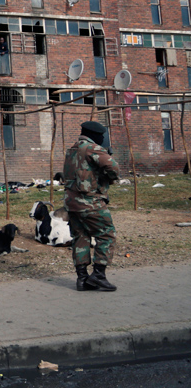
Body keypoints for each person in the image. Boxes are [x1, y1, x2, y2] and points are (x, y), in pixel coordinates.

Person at [62, 121, 121, 292]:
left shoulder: (72, 149)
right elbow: (114, 168)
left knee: (80, 238)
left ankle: (82, 279)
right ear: (96, 135)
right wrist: (106, 176)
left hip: (71, 203)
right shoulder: (92, 148)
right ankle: (98, 276)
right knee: (107, 235)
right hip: (90, 202)